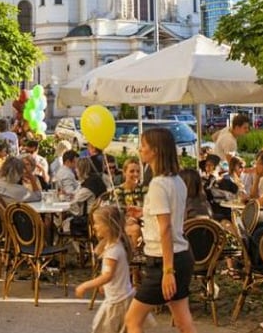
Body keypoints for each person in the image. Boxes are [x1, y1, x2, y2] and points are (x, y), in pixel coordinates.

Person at [124, 128, 195, 333]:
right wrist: (144, 213)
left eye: (143, 146)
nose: (140, 149)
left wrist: (167, 271)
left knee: (133, 320)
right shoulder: (177, 181)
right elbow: (169, 218)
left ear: (155, 150)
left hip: (164, 261)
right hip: (180, 256)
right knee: (183, 321)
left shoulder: (157, 184)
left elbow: (165, 228)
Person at [75, 204, 137, 333]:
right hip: (122, 296)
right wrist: (104, 285)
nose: (94, 226)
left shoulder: (113, 250)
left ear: (109, 226)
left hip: (117, 301)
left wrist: (85, 285)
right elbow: (113, 274)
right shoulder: (115, 244)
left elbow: (107, 275)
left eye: (97, 223)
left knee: (103, 328)